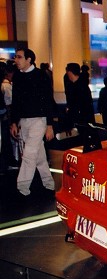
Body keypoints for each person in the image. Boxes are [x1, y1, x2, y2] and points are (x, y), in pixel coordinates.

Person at [9, 48, 56, 196]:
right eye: (16, 57)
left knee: (29, 154)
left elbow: (48, 100)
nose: (16, 60)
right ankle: (49, 183)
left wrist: (49, 125)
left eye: (19, 57)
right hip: (24, 120)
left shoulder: (41, 75)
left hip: (38, 121)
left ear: (29, 59)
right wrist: (14, 122)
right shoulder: (17, 77)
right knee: (38, 155)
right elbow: (15, 102)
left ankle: (21, 187)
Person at [64, 62, 95, 131]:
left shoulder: (77, 86)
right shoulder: (82, 84)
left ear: (70, 72)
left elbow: (77, 103)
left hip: (81, 119)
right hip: (84, 118)